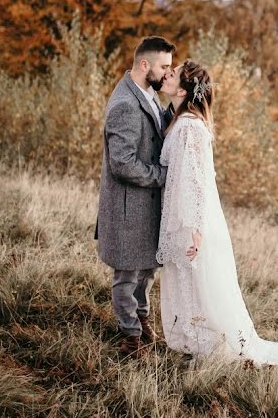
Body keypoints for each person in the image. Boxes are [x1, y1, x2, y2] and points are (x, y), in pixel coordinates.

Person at [156, 60, 278, 366]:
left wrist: (193, 228)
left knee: (196, 281)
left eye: (171, 74)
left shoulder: (189, 127)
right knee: (187, 281)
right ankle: (194, 342)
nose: (165, 75)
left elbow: (195, 180)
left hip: (190, 218)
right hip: (181, 214)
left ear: (182, 89)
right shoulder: (182, 122)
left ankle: (210, 346)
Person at [96, 36, 175, 357]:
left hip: (146, 208)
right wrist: (164, 178)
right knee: (126, 278)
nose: (168, 74)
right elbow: (122, 164)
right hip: (128, 211)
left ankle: (142, 321)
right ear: (145, 65)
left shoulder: (147, 93)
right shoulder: (125, 105)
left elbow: (157, 130)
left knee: (145, 273)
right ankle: (130, 337)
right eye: (164, 67)